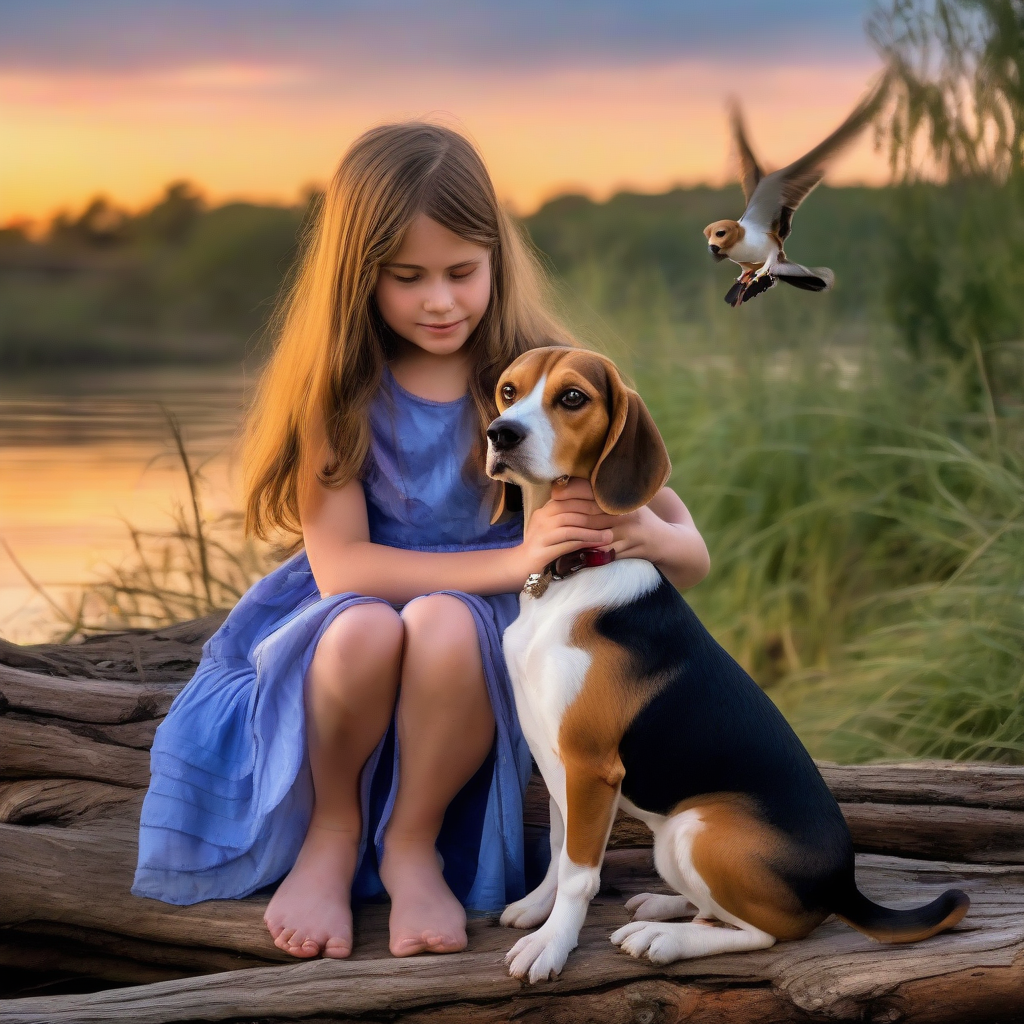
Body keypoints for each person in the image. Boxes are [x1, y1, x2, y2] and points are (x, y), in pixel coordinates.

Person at [132, 122, 711, 962]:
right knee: (370, 622)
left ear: (495, 262)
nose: (439, 301)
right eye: (407, 278)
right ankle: (332, 833)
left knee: (442, 619)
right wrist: (517, 559)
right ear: (357, 277)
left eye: (461, 273)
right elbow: (342, 570)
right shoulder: (339, 390)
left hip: (467, 639)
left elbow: (686, 545)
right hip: (351, 615)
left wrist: (635, 535)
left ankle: (412, 842)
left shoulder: (534, 379)